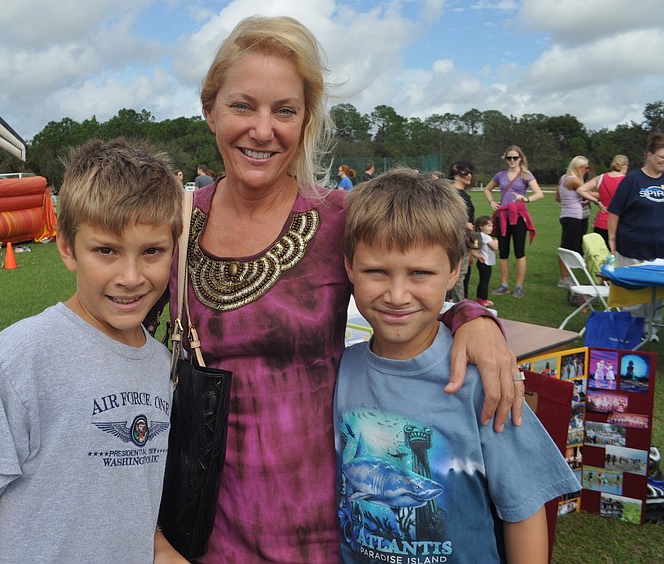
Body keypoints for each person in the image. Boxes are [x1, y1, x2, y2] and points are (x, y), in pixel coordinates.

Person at [181, 15, 521, 562]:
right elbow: (113, 307)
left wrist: (474, 318)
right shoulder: (173, 223)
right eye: (242, 105)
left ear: (306, 118)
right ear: (210, 110)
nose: (262, 130)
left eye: (284, 111)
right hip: (205, 510)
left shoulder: (338, 216)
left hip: (324, 510)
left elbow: (416, 270)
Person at [0, 139, 184, 563]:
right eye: (106, 250)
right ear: (67, 248)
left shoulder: (160, 366)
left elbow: (129, 510)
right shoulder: (19, 360)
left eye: (152, 251)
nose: (131, 276)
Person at [336, 169, 580, 563]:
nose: (397, 295)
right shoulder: (339, 370)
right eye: (376, 271)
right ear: (349, 267)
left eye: (420, 273)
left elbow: (524, 508)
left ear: (454, 271)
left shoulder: (484, 379)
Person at [484, 145, 543, 298]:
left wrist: (526, 199)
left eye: (515, 158)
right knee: (503, 252)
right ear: (505, 159)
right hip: (503, 217)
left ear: (520, 158)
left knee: (519, 252)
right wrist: (491, 201)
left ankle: (519, 286)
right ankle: (504, 285)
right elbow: (487, 189)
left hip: (518, 217)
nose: (512, 160)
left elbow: (539, 193)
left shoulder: (526, 175)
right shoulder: (500, 175)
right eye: (509, 157)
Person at [609, 133, 664, 264]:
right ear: (649, 155)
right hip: (633, 251)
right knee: (633, 284)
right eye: (661, 157)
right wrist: (612, 240)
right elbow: (615, 212)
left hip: (661, 251)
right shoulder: (631, 181)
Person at [576, 154, 628, 250]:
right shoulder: (627, 180)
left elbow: (581, 190)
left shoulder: (600, 178)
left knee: (601, 255)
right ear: (624, 166)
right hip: (619, 223)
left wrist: (597, 201)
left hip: (601, 221)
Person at [557, 156, 591, 288]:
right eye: (585, 168)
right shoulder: (574, 180)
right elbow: (589, 194)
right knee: (567, 249)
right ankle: (563, 279)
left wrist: (571, 201)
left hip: (566, 215)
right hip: (573, 217)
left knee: (569, 247)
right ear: (578, 167)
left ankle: (565, 276)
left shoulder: (564, 177)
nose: (587, 170)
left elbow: (558, 197)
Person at [447, 161, 476, 302]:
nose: (469, 175)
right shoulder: (454, 194)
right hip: (458, 239)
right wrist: (464, 223)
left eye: (470, 172)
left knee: (457, 273)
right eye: (465, 173)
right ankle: (460, 306)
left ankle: (450, 303)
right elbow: (445, 214)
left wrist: (474, 247)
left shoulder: (460, 194)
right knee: (458, 274)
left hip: (464, 239)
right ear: (455, 176)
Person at [473, 214, 499, 308]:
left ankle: (480, 298)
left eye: (492, 226)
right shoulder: (487, 237)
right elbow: (494, 247)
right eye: (488, 225)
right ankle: (483, 300)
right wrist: (496, 241)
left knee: (482, 281)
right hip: (486, 262)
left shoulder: (479, 235)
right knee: (485, 282)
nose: (491, 228)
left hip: (481, 262)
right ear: (481, 226)